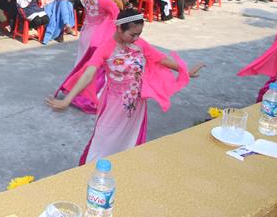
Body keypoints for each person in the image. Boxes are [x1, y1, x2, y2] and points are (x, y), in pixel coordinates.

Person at [47, 9, 203, 163]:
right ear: (119, 28)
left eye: (139, 34)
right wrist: (67, 100)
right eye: (132, 34)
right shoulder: (106, 48)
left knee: (130, 140)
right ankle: (93, 170)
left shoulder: (140, 44)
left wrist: (185, 71)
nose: (136, 38)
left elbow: (160, 58)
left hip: (137, 105)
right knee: (103, 140)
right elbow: (88, 74)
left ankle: (124, 168)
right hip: (114, 105)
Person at [54, 0, 119, 113]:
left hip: (86, 32)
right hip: (98, 36)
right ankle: (88, 97)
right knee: (94, 68)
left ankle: (74, 91)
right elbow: (116, 15)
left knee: (81, 64)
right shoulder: (104, 0)